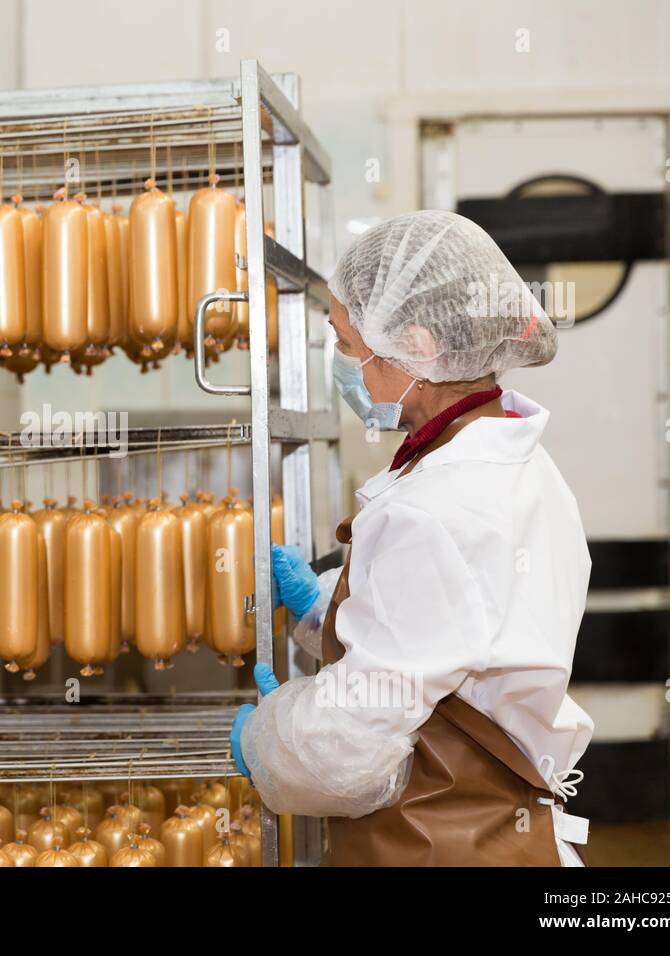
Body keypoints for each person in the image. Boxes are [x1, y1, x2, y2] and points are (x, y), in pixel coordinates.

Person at [230, 210, 593, 866]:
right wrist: (324, 612)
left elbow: (346, 750)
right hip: (505, 832)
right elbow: (459, 634)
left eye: (346, 343)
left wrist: (265, 742)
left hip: (446, 844)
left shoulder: (437, 507)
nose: (342, 364)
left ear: (420, 348)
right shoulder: (519, 465)